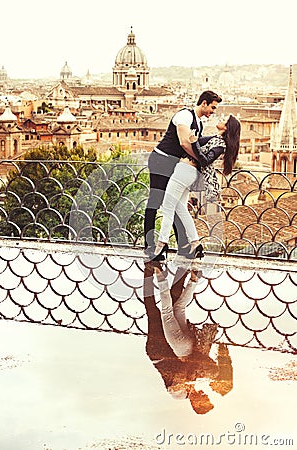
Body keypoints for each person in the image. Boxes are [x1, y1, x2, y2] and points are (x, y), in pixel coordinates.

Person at [143, 261, 233, 414]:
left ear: (196, 404)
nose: (205, 394)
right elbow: (186, 366)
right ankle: (158, 271)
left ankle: (159, 272)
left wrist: (193, 374)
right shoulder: (191, 387)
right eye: (207, 397)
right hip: (170, 349)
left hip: (159, 352)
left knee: (158, 310)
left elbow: (180, 371)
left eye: (204, 399)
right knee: (161, 309)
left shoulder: (179, 395)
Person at [144, 90, 222, 260]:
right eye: (212, 108)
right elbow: (184, 142)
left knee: (175, 204)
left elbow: (196, 145)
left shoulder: (199, 124)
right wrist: (202, 161)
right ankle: (149, 246)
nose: (212, 112)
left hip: (174, 164)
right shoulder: (184, 116)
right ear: (204, 103)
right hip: (161, 160)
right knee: (155, 202)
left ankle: (184, 245)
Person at [154, 114, 241, 260]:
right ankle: (195, 244)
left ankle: (161, 246)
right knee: (180, 208)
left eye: (224, 120)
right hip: (185, 171)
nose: (220, 119)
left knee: (167, 207)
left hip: (185, 172)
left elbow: (205, 160)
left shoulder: (220, 145)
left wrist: (194, 142)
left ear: (227, 127)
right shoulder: (216, 139)